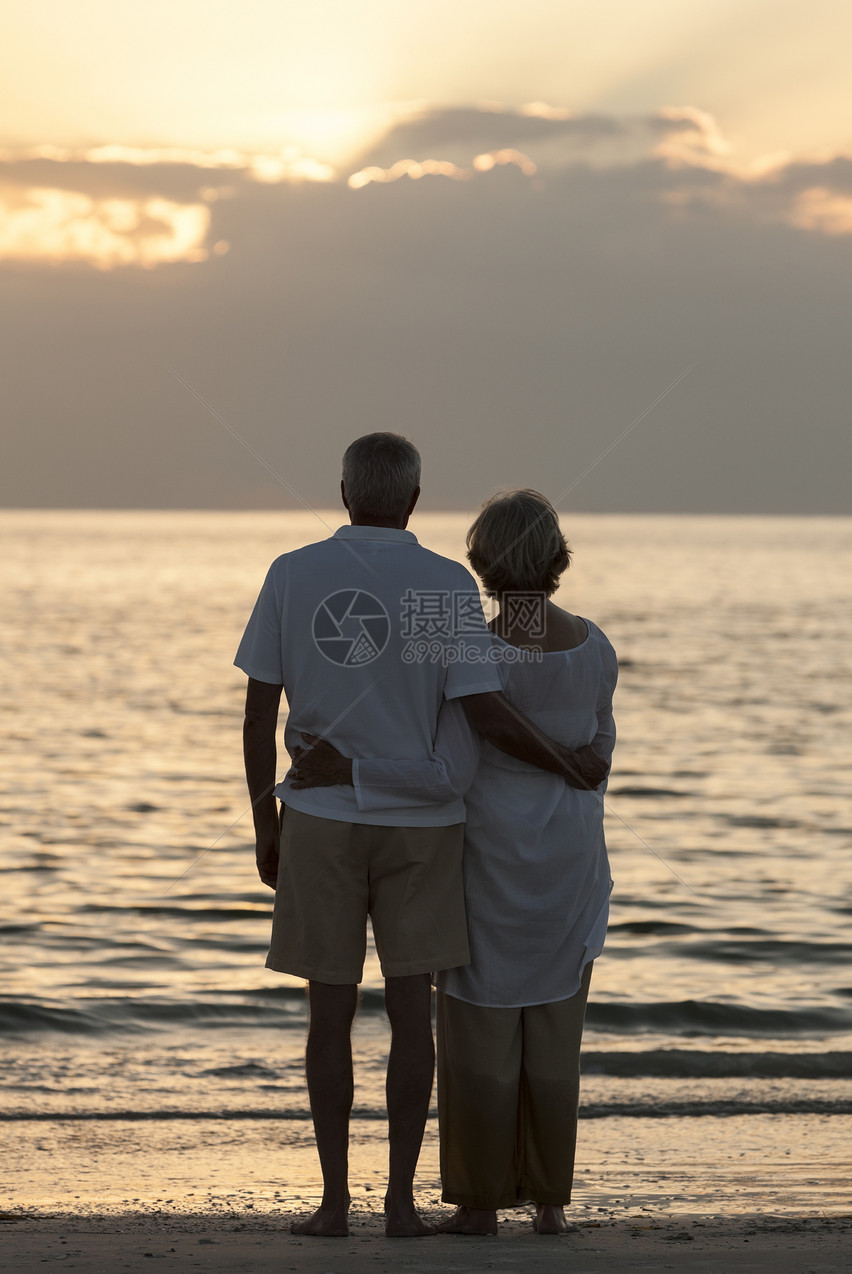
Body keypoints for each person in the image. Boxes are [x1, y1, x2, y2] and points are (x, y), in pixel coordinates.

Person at [235, 441, 607, 1239]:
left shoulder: (292, 573)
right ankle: (410, 1202)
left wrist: (267, 826)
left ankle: (340, 1203)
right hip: (433, 839)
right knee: (423, 1020)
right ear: (412, 500)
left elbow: (260, 713)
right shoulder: (443, 591)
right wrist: (571, 765)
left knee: (328, 1020)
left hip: (332, 824)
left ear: (342, 492)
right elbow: (476, 722)